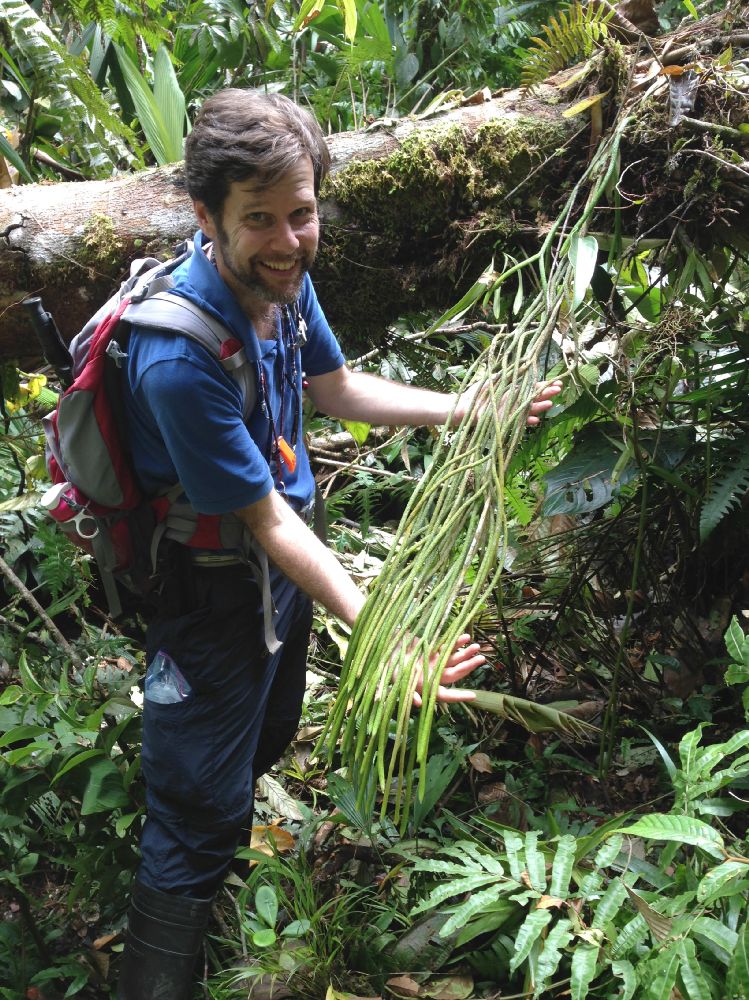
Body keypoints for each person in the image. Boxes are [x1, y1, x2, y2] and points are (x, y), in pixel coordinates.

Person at [116, 88, 560, 999]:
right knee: (196, 808)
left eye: (302, 213)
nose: (288, 240)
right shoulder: (178, 360)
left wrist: (467, 408)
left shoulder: (287, 281)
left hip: (276, 581)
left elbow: (337, 390)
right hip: (207, 592)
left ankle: (212, 842)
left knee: (266, 735)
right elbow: (267, 521)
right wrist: (386, 636)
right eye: (260, 221)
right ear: (206, 217)